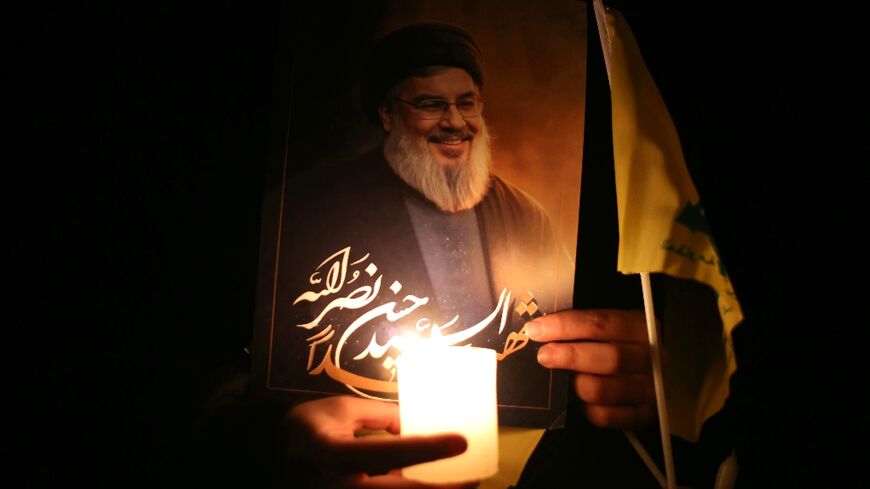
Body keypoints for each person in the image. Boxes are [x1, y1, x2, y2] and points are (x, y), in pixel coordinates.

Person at [189, 21, 661, 489]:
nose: (455, 122)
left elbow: (577, 365)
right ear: (388, 114)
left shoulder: (525, 214)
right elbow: (212, 376)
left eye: (466, 102)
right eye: (431, 104)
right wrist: (273, 443)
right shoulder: (308, 208)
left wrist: (644, 375)